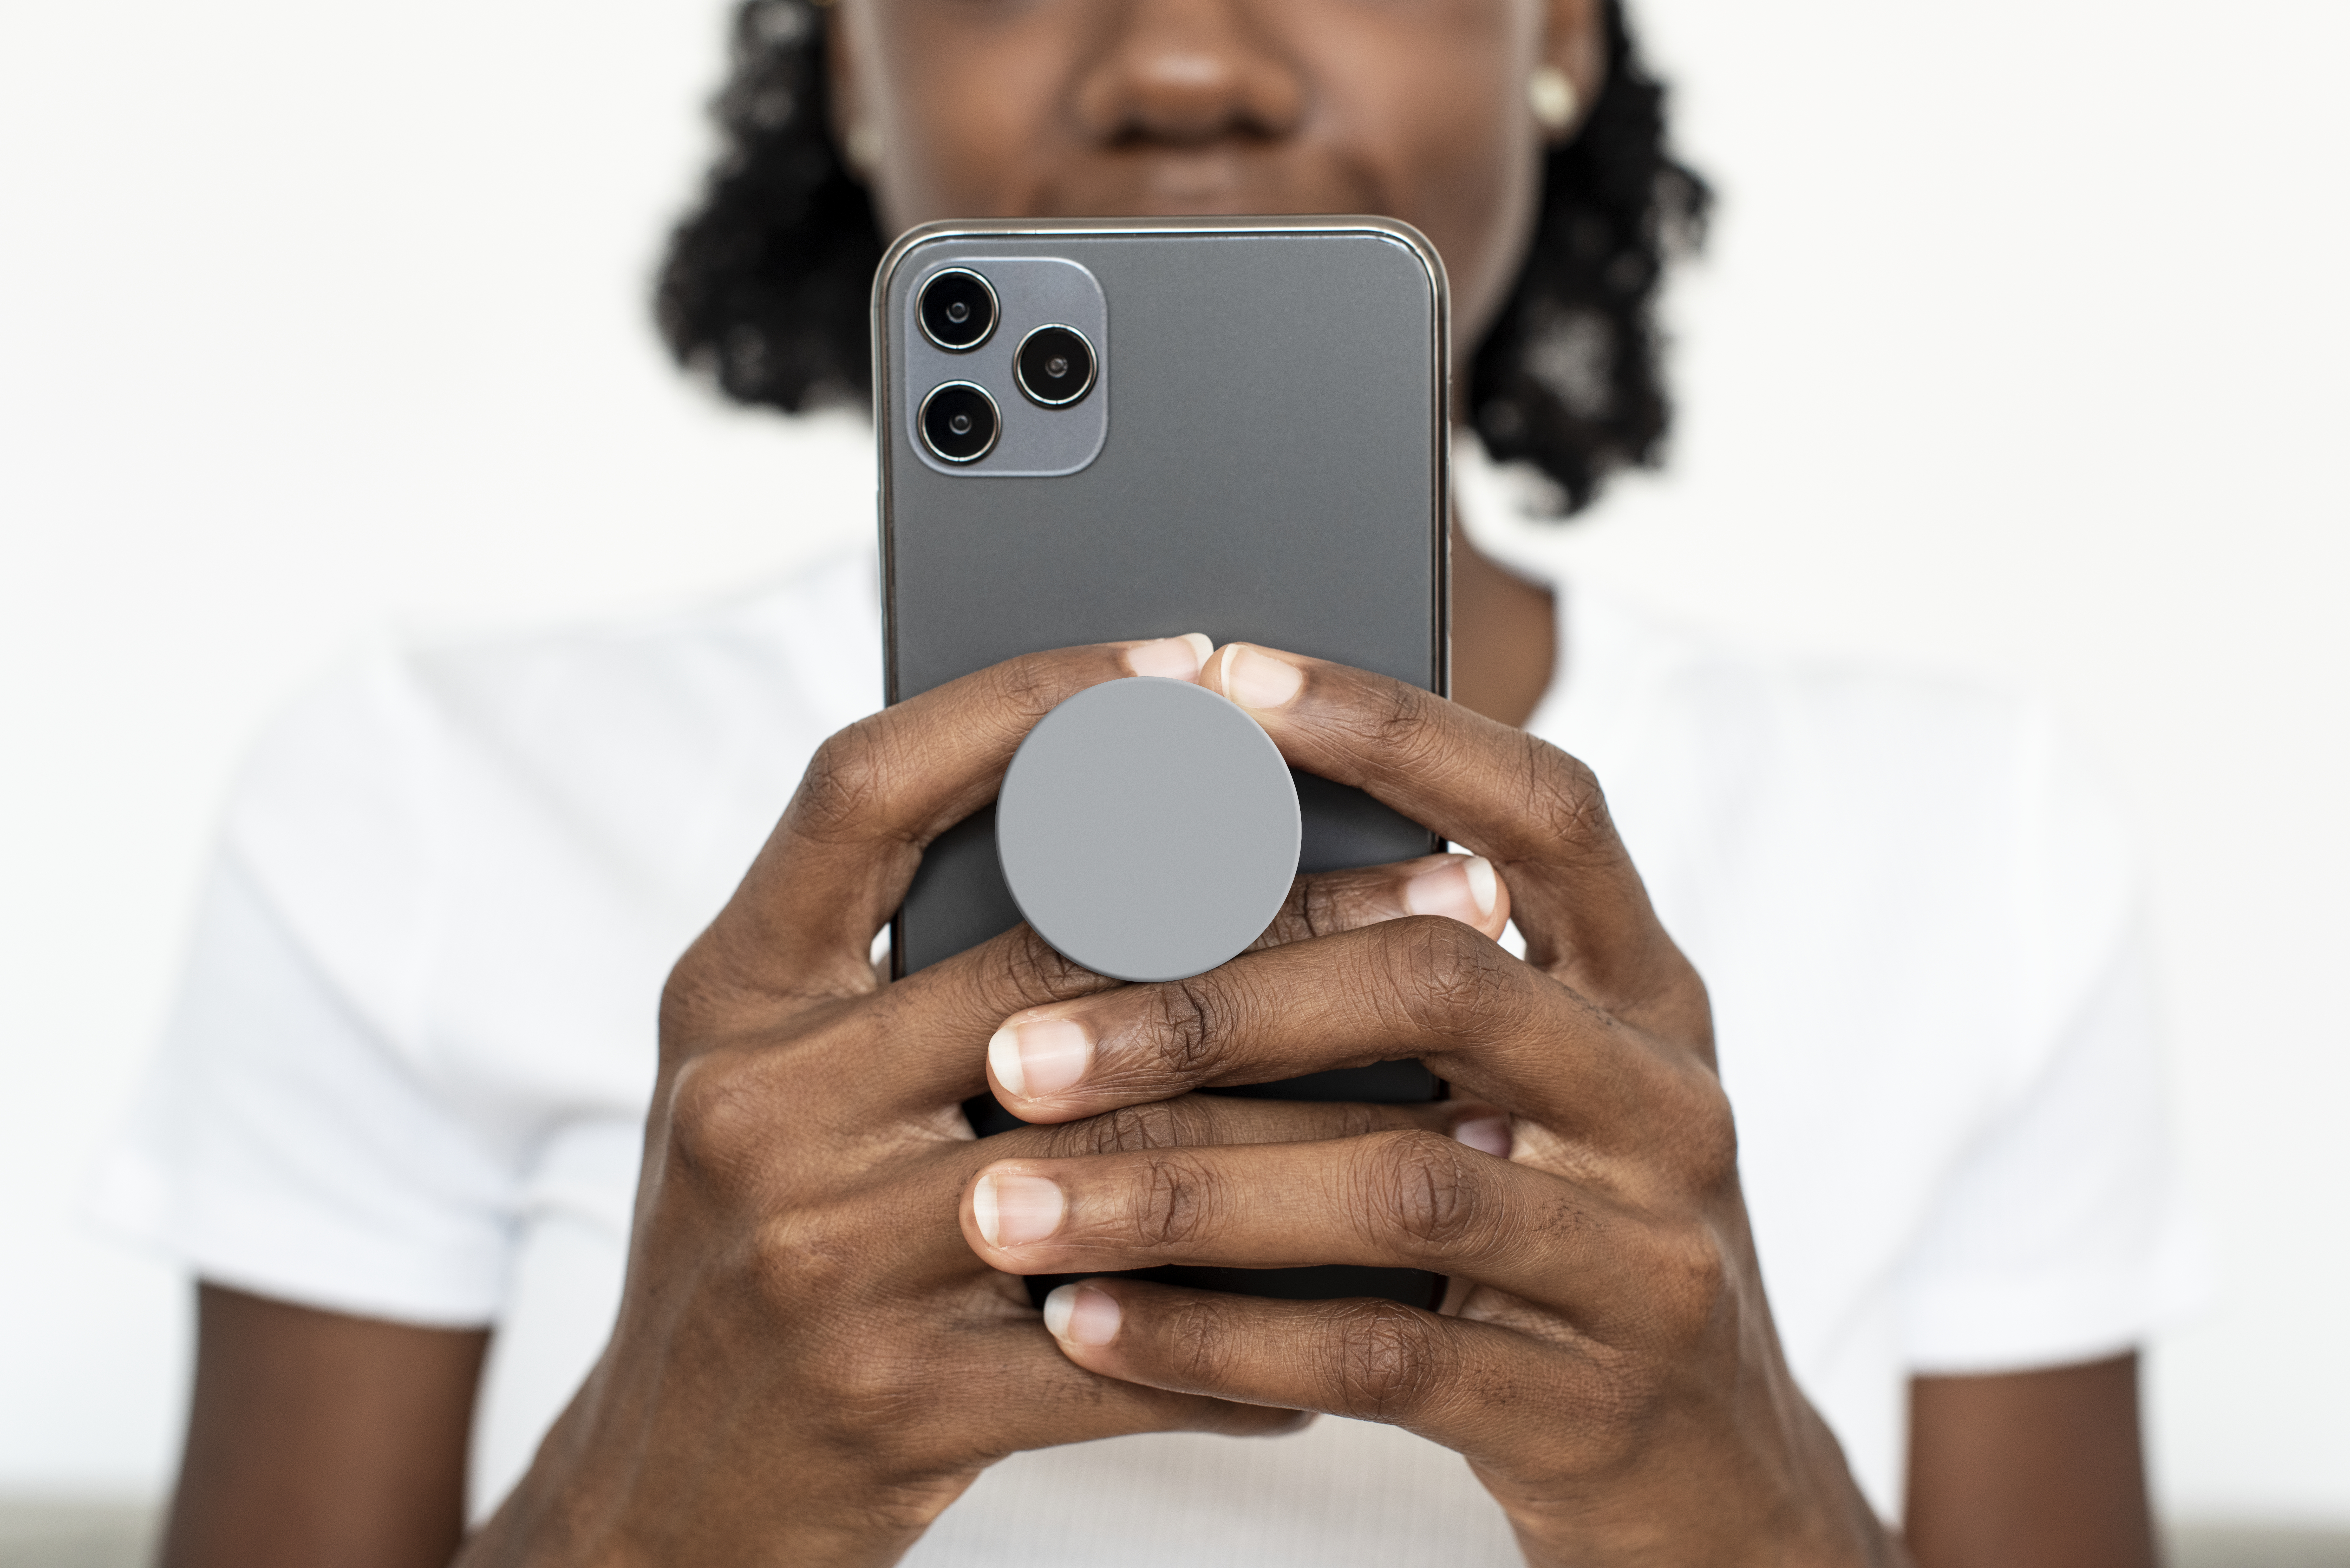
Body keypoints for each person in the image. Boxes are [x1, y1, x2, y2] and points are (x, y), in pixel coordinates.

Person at [99, 0, 2199, 1563]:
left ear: (1553, 31)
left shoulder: (1963, 834)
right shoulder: (433, 795)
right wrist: (654, 1503)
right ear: (846, 56)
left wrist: (1733, 1496)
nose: (1183, 59)